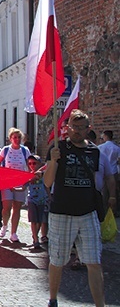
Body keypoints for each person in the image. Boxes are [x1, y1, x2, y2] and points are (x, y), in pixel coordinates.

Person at [44, 109, 116, 307]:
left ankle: (100, 304)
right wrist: (53, 162)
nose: (77, 131)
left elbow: (96, 179)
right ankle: (53, 298)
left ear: (88, 129)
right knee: (58, 260)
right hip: (62, 211)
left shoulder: (94, 151)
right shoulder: (57, 148)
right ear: (67, 128)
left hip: (87, 212)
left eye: (81, 128)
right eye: (74, 127)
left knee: (94, 261)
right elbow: (48, 183)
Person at [0, 127, 30, 242]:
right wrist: (0, 174)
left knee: (17, 208)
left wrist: (27, 180)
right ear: (10, 139)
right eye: (14, 137)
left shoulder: (25, 151)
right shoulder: (5, 150)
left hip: (20, 182)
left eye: (19, 137)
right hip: (7, 182)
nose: (17, 139)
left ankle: (14, 233)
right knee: (7, 207)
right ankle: (5, 225)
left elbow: (30, 166)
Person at [26, 155, 48, 250]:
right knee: (33, 220)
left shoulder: (43, 175)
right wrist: (14, 188)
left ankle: (36, 235)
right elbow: (22, 187)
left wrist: (50, 197)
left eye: (34, 163)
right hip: (32, 200)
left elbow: (47, 186)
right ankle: (35, 239)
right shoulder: (28, 175)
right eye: (30, 163)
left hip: (42, 200)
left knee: (40, 221)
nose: (32, 165)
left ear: (39, 164)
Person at [99, 130, 119, 215]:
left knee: (104, 192)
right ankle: (114, 210)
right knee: (113, 192)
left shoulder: (100, 147)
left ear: (105, 136)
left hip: (103, 171)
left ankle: (104, 210)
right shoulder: (116, 148)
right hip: (113, 170)